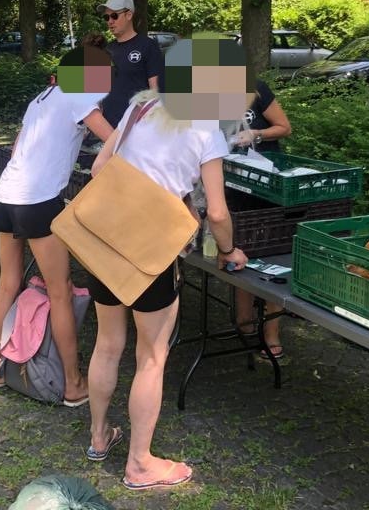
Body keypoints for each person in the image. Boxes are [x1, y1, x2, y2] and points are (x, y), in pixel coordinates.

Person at [84, 89, 247, 491]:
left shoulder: (141, 107)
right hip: (151, 248)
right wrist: (228, 250)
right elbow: (218, 212)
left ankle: (99, 437)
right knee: (151, 358)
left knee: (107, 344)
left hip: (106, 236)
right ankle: (139, 465)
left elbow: (99, 168)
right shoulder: (207, 130)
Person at [0, 42, 114, 404]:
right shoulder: (80, 95)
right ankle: (73, 384)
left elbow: (18, 149)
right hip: (39, 199)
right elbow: (116, 140)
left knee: (8, 283)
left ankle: (0, 368)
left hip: (6, 195)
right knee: (60, 291)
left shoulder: (41, 98)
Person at [230, 79, 293, 358]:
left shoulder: (255, 88)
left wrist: (255, 134)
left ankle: (271, 332)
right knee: (239, 249)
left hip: (266, 181)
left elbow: (284, 127)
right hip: (231, 183)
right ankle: (244, 322)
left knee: (271, 253)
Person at [97, 0, 164, 127]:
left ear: (128, 15)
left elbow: (156, 91)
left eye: (114, 15)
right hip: (108, 129)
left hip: (136, 127)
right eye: (106, 17)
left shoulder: (148, 46)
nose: (110, 21)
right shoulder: (107, 49)